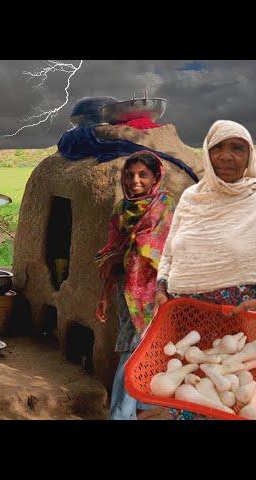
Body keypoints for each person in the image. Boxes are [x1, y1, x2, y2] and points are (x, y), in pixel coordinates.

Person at [153, 119, 256, 420]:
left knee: (235, 401)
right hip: (187, 325)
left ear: (250, 156)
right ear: (207, 155)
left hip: (237, 329)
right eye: (217, 148)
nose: (226, 156)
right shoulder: (192, 199)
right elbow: (169, 253)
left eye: (237, 148)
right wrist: (160, 290)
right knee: (187, 397)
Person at [94, 151, 175, 420]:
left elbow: (156, 251)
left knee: (134, 352)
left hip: (154, 294)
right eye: (129, 175)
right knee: (136, 350)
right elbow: (112, 256)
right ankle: (137, 408)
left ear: (155, 177)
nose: (134, 181)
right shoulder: (121, 209)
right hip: (126, 293)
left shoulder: (163, 206)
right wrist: (104, 295)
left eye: (143, 175)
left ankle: (120, 413)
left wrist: (123, 252)